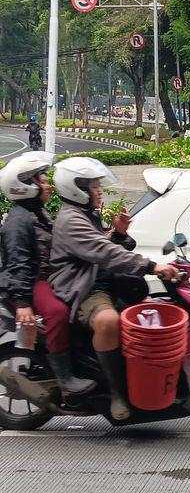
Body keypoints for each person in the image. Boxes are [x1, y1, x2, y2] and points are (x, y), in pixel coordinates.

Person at [48, 157, 178, 420]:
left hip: (102, 280)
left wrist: (118, 233)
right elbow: (104, 252)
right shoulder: (71, 220)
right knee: (108, 321)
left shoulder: (86, 214)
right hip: (84, 288)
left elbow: (103, 244)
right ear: (77, 189)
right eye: (94, 186)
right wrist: (152, 266)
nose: (99, 191)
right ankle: (118, 394)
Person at [0, 152, 97, 396]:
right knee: (58, 313)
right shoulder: (18, 220)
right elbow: (18, 263)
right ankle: (65, 378)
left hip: (47, 278)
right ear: (23, 186)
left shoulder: (37, 213)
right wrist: (22, 303)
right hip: (32, 281)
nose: (48, 185)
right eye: (41, 181)